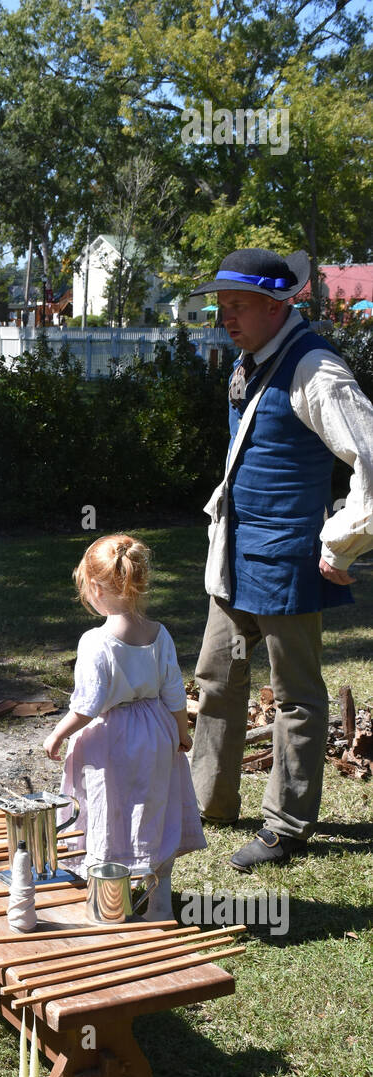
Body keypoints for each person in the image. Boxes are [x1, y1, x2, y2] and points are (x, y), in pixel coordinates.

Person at [189, 248, 373, 871]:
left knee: (295, 695)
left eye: (237, 305)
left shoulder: (317, 370)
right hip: (236, 554)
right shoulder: (253, 359)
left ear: (277, 305)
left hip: (289, 559)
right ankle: (207, 802)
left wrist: (341, 540)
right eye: (221, 304)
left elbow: (370, 460)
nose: (225, 317)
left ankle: (286, 825)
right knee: (216, 678)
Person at [43, 534, 205, 921]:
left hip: (110, 740)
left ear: (95, 587)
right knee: (154, 810)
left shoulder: (96, 641)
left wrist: (57, 733)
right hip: (155, 732)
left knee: (108, 810)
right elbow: (174, 693)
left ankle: (108, 905)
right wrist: (181, 732)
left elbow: (88, 705)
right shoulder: (159, 633)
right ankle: (160, 902)